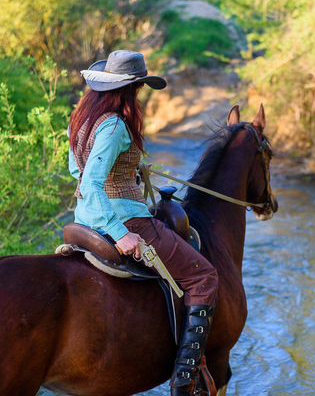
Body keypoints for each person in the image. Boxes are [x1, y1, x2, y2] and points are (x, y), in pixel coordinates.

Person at [68, 50, 218, 396]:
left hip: (83, 221)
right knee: (204, 276)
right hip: (125, 221)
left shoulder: (80, 120)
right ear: (132, 88)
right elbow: (91, 181)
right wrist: (121, 234)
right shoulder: (116, 125)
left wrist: (128, 172)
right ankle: (185, 381)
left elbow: (77, 172)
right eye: (138, 88)